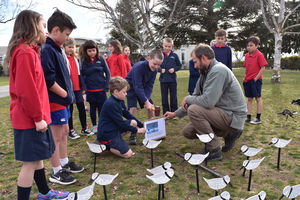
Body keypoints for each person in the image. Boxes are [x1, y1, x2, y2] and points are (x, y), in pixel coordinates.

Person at [6, 10, 69, 199]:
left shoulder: (31, 50)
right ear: (32, 26)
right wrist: (37, 118)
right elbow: (27, 91)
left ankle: (44, 192)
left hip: (37, 117)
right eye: (43, 26)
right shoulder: (24, 53)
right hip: (29, 119)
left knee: (38, 157)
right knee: (30, 163)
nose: (46, 31)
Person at [164, 44, 247, 160]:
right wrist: (176, 113)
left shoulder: (218, 70)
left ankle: (214, 150)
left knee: (194, 110)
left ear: (203, 58)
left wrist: (188, 99)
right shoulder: (205, 72)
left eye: (195, 61)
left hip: (233, 115)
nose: (194, 65)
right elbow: (196, 96)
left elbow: (208, 102)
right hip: (222, 112)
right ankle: (229, 134)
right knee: (188, 131)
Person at [41, 9, 83, 185]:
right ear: (56, 30)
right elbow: (49, 79)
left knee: (65, 131)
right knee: (56, 136)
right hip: (55, 101)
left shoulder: (58, 49)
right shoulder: (48, 49)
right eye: (66, 34)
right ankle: (56, 171)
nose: (67, 38)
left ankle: (64, 163)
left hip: (64, 101)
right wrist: (66, 94)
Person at [97, 77, 146, 158]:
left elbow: (127, 114)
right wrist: (137, 130)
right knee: (128, 154)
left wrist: (141, 125)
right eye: (124, 92)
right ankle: (106, 146)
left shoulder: (119, 100)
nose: (126, 94)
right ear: (116, 92)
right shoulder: (111, 104)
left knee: (133, 122)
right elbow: (121, 123)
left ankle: (116, 142)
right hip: (108, 133)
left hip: (114, 128)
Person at [126, 49, 164, 145]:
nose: (156, 67)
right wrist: (145, 101)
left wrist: (146, 100)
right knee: (133, 109)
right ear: (148, 59)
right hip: (131, 88)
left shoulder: (155, 71)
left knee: (152, 107)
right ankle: (133, 133)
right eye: (154, 64)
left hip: (141, 88)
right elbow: (137, 86)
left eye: (159, 65)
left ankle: (151, 131)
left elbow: (149, 86)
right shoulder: (139, 67)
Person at [63, 38, 92, 139]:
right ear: (64, 47)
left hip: (78, 89)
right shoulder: (63, 58)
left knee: (82, 109)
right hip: (69, 90)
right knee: (69, 110)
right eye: (69, 47)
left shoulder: (76, 59)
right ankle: (71, 130)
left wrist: (82, 86)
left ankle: (84, 128)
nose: (71, 49)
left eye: (73, 47)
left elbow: (79, 74)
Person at [81, 40, 110, 134]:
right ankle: (94, 126)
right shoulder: (84, 60)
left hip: (101, 89)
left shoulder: (101, 59)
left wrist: (106, 85)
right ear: (86, 51)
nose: (92, 52)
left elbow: (108, 72)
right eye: (89, 51)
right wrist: (84, 87)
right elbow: (81, 75)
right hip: (90, 89)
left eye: (93, 50)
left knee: (102, 109)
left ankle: (102, 125)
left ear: (96, 50)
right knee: (92, 108)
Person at [243, 36, 267, 124]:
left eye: (251, 45)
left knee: (258, 98)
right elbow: (247, 68)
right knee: (249, 99)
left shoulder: (259, 55)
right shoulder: (246, 55)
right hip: (248, 81)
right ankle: (248, 117)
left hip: (256, 81)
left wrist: (255, 79)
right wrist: (246, 78)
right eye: (248, 45)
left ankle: (258, 118)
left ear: (256, 46)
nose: (249, 47)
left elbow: (263, 68)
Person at [158, 38, 182, 114]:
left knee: (173, 97)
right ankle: (166, 112)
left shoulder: (174, 55)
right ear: (163, 45)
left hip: (172, 80)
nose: (167, 48)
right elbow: (155, 65)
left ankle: (174, 112)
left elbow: (179, 65)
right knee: (164, 97)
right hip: (163, 80)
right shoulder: (159, 55)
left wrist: (174, 69)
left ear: (172, 46)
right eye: (166, 46)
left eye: (169, 46)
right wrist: (160, 70)